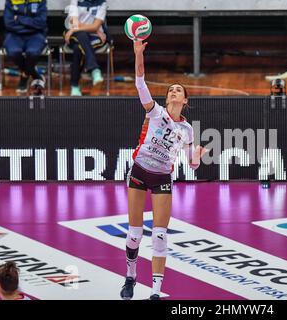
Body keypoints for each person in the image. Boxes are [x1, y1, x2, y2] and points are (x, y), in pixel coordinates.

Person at [120, 41, 207, 300]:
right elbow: (140, 83)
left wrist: (197, 158)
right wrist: (138, 53)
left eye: (178, 90)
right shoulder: (155, 112)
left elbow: (191, 164)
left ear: (185, 100)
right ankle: (131, 276)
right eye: (170, 90)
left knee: (159, 235)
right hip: (139, 171)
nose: (173, 92)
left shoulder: (188, 130)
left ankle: (156, 292)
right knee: (135, 235)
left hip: (162, 178)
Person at [3, 0, 47, 94]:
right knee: (13, 52)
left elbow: (41, 22)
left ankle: (24, 77)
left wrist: (19, 18)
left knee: (33, 52)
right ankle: (35, 74)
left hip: (36, 34)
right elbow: (9, 23)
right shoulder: (11, 1)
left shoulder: (40, 1)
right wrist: (29, 25)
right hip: (14, 34)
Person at [65, 0, 108, 96]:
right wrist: (94, 29)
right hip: (76, 35)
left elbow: (96, 26)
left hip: (92, 36)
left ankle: (74, 85)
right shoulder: (75, 1)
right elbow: (74, 22)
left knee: (77, 49)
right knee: (82, 36)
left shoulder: (102, 3)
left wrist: (73, 29)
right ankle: (94, 69)